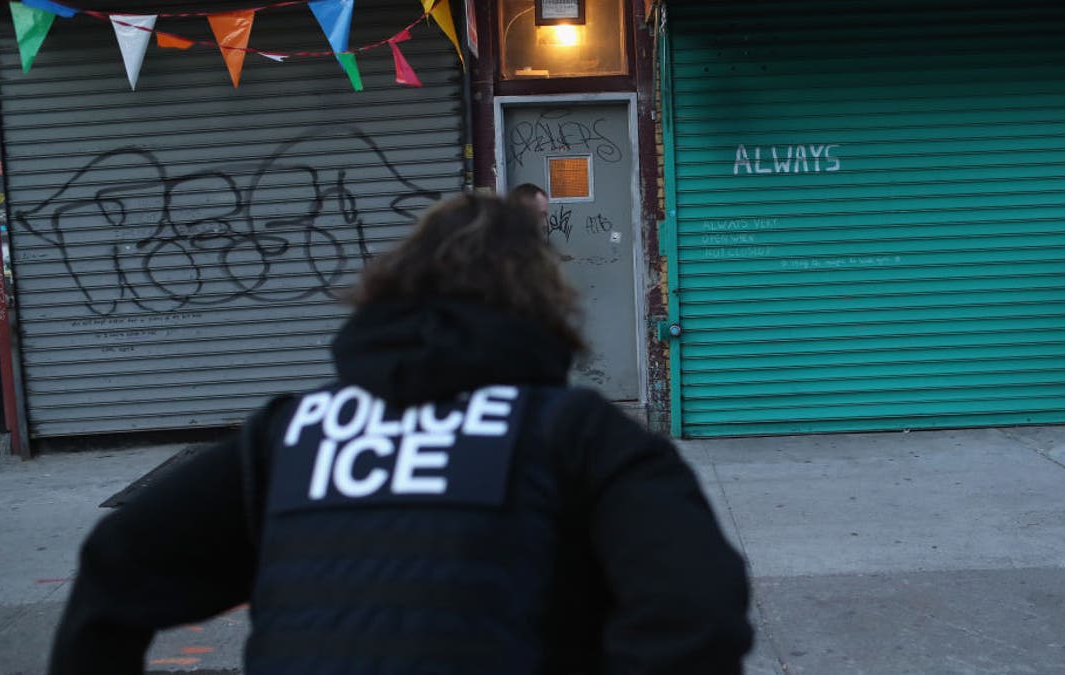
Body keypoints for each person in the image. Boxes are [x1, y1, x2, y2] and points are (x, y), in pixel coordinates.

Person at [48, 194, 753, 674]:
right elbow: (697, 609)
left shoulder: (292, 434)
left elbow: (116, 565)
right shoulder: (575, 433)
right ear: (545, 300)